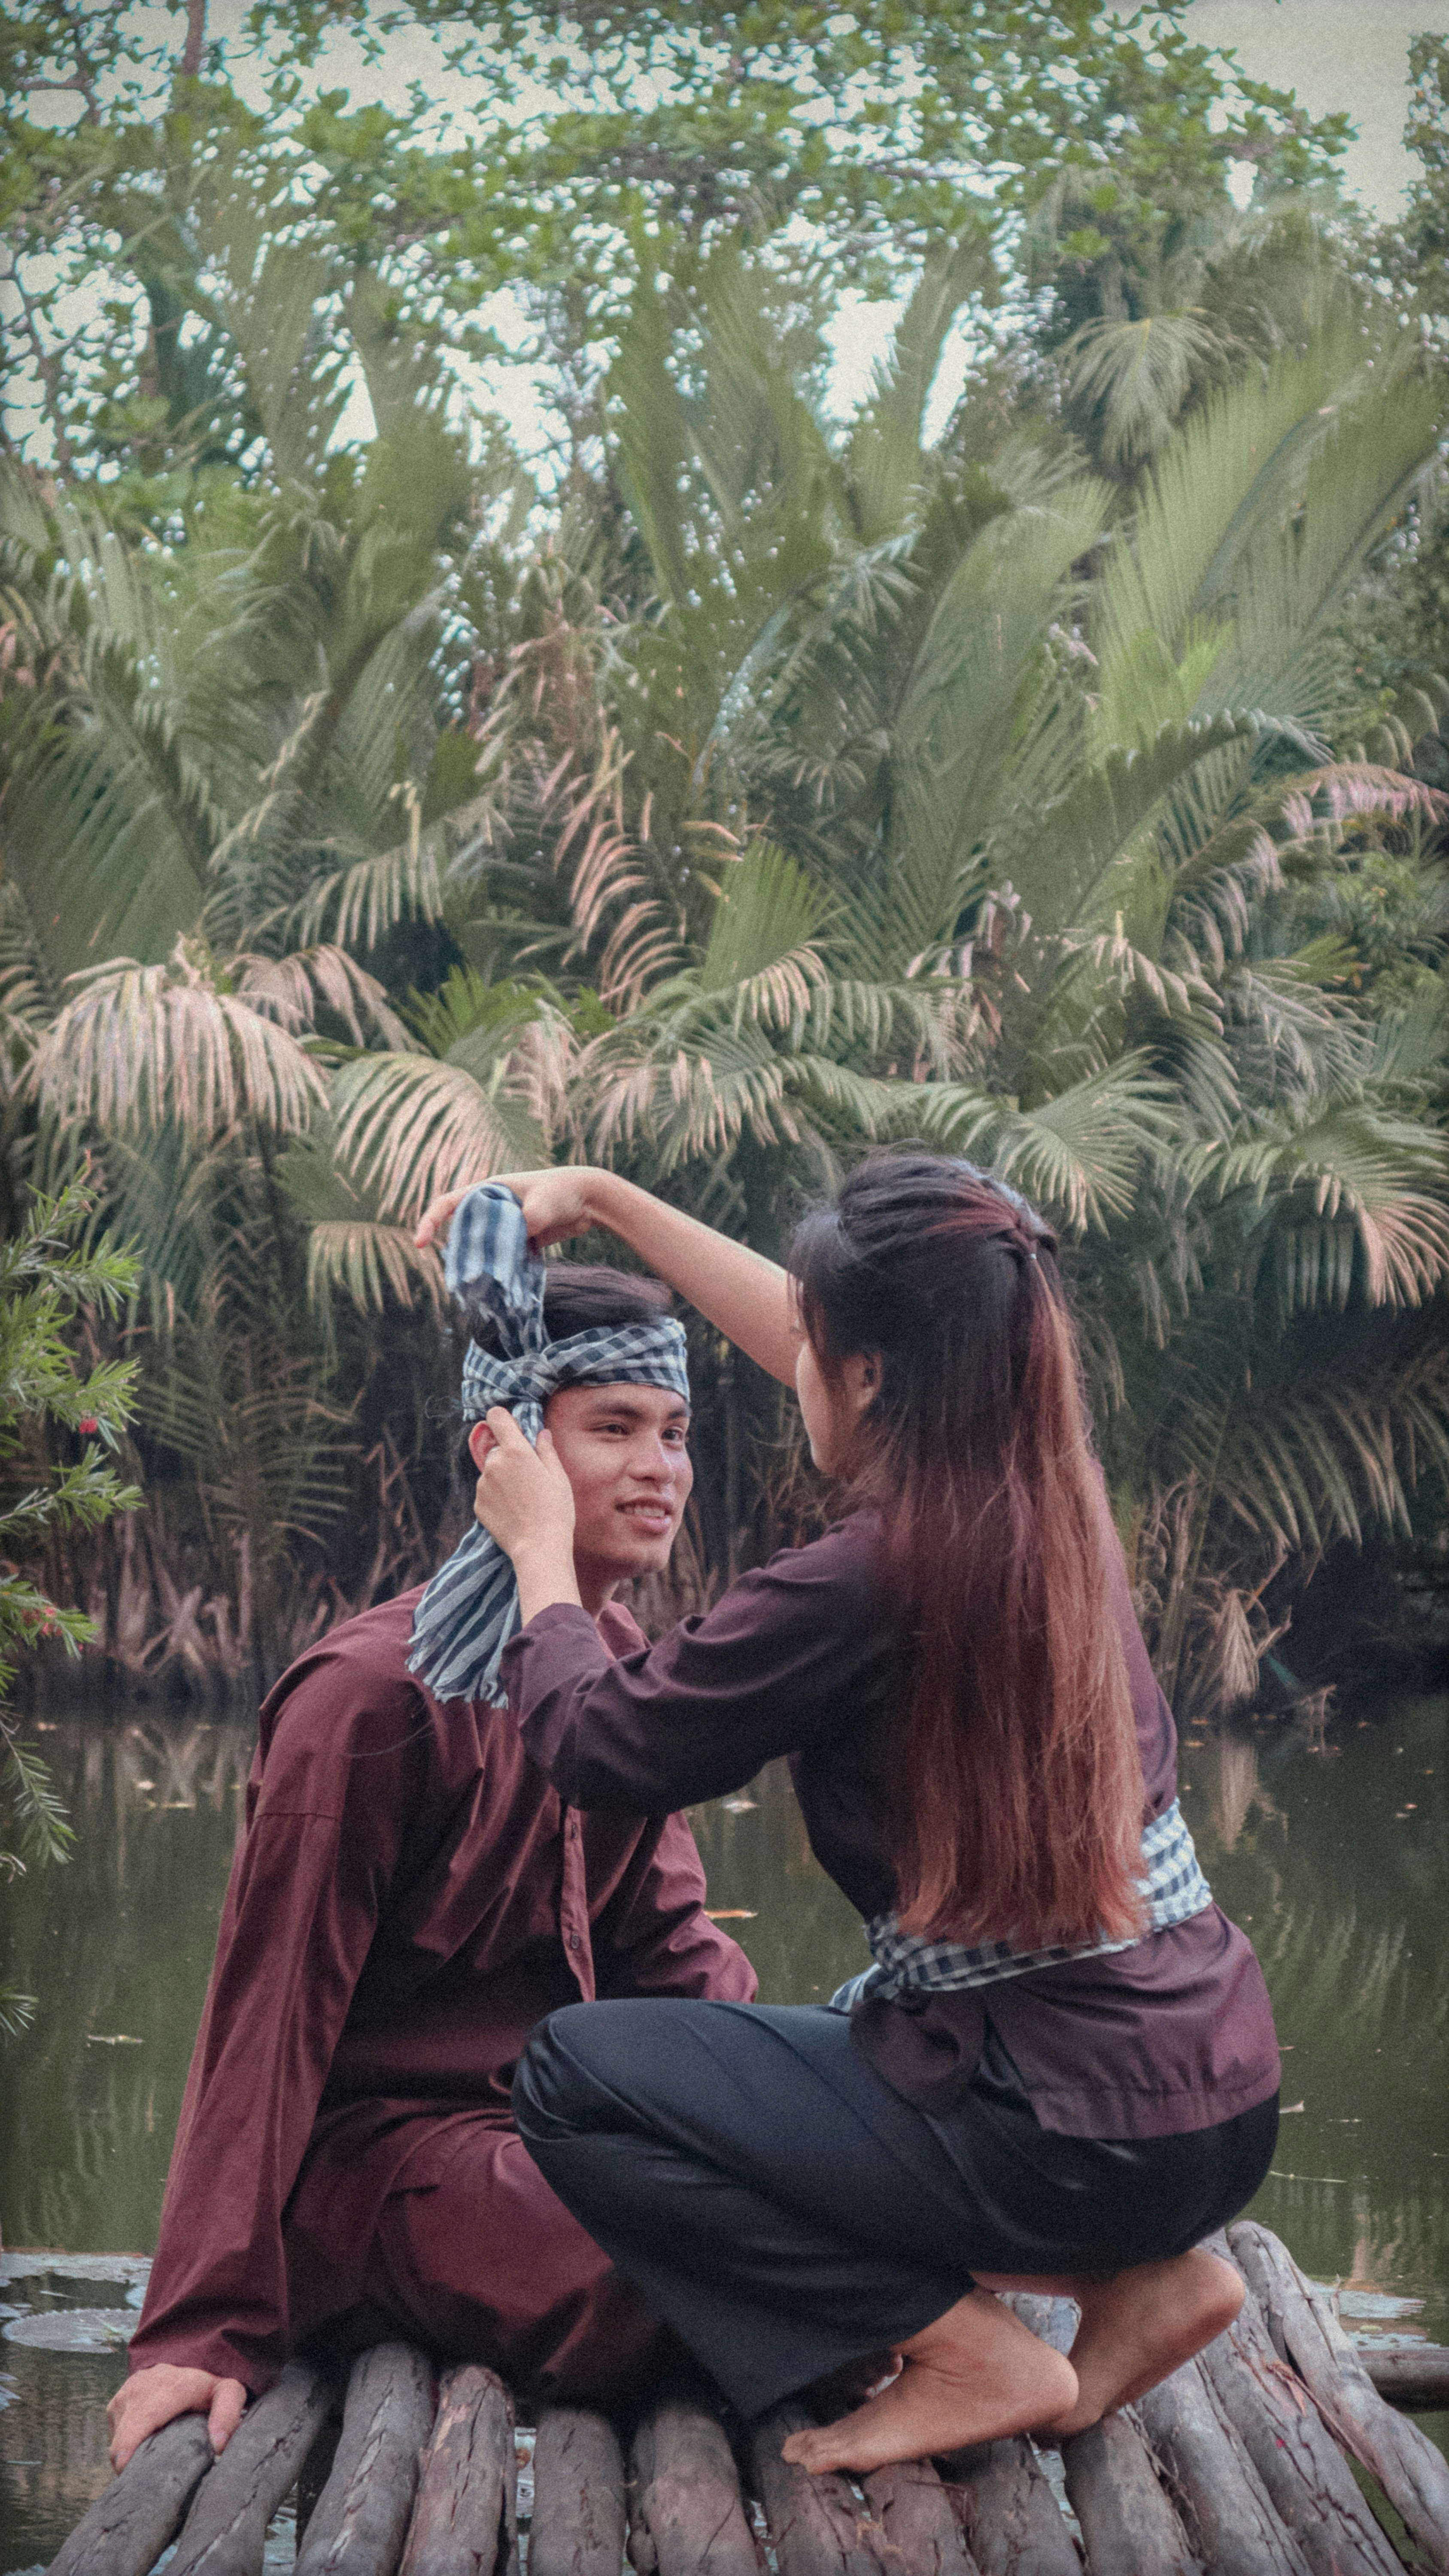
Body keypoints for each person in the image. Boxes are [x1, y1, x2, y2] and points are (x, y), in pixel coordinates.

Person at [414, 1153, 1282, 2476]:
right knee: (841, 2027)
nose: (793, 1363)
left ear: (871, 1371)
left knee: (580, 2082)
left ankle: (959, 2346)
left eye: (815, 1347)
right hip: (1217, 2107)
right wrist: (604, 1195)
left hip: (1066, 2138)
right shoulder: (1057, 1501)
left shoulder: (864, 1582)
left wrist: (538, 1552)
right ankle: (1145, 2286)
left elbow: (598, 1744)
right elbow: (816, 1338)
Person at [107, 1222, 755, 2474]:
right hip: (381, 2171)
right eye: (612, 1429)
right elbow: (269, 2021)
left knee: (820, 2198)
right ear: (505, 1448)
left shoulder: (615, 1672)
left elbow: (679, 1962)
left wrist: (807, 2120)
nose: (660, 1468)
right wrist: (200, 2328)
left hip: (561, 2133)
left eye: (673, 1433)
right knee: (679, 2270)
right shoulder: (365, 1700)